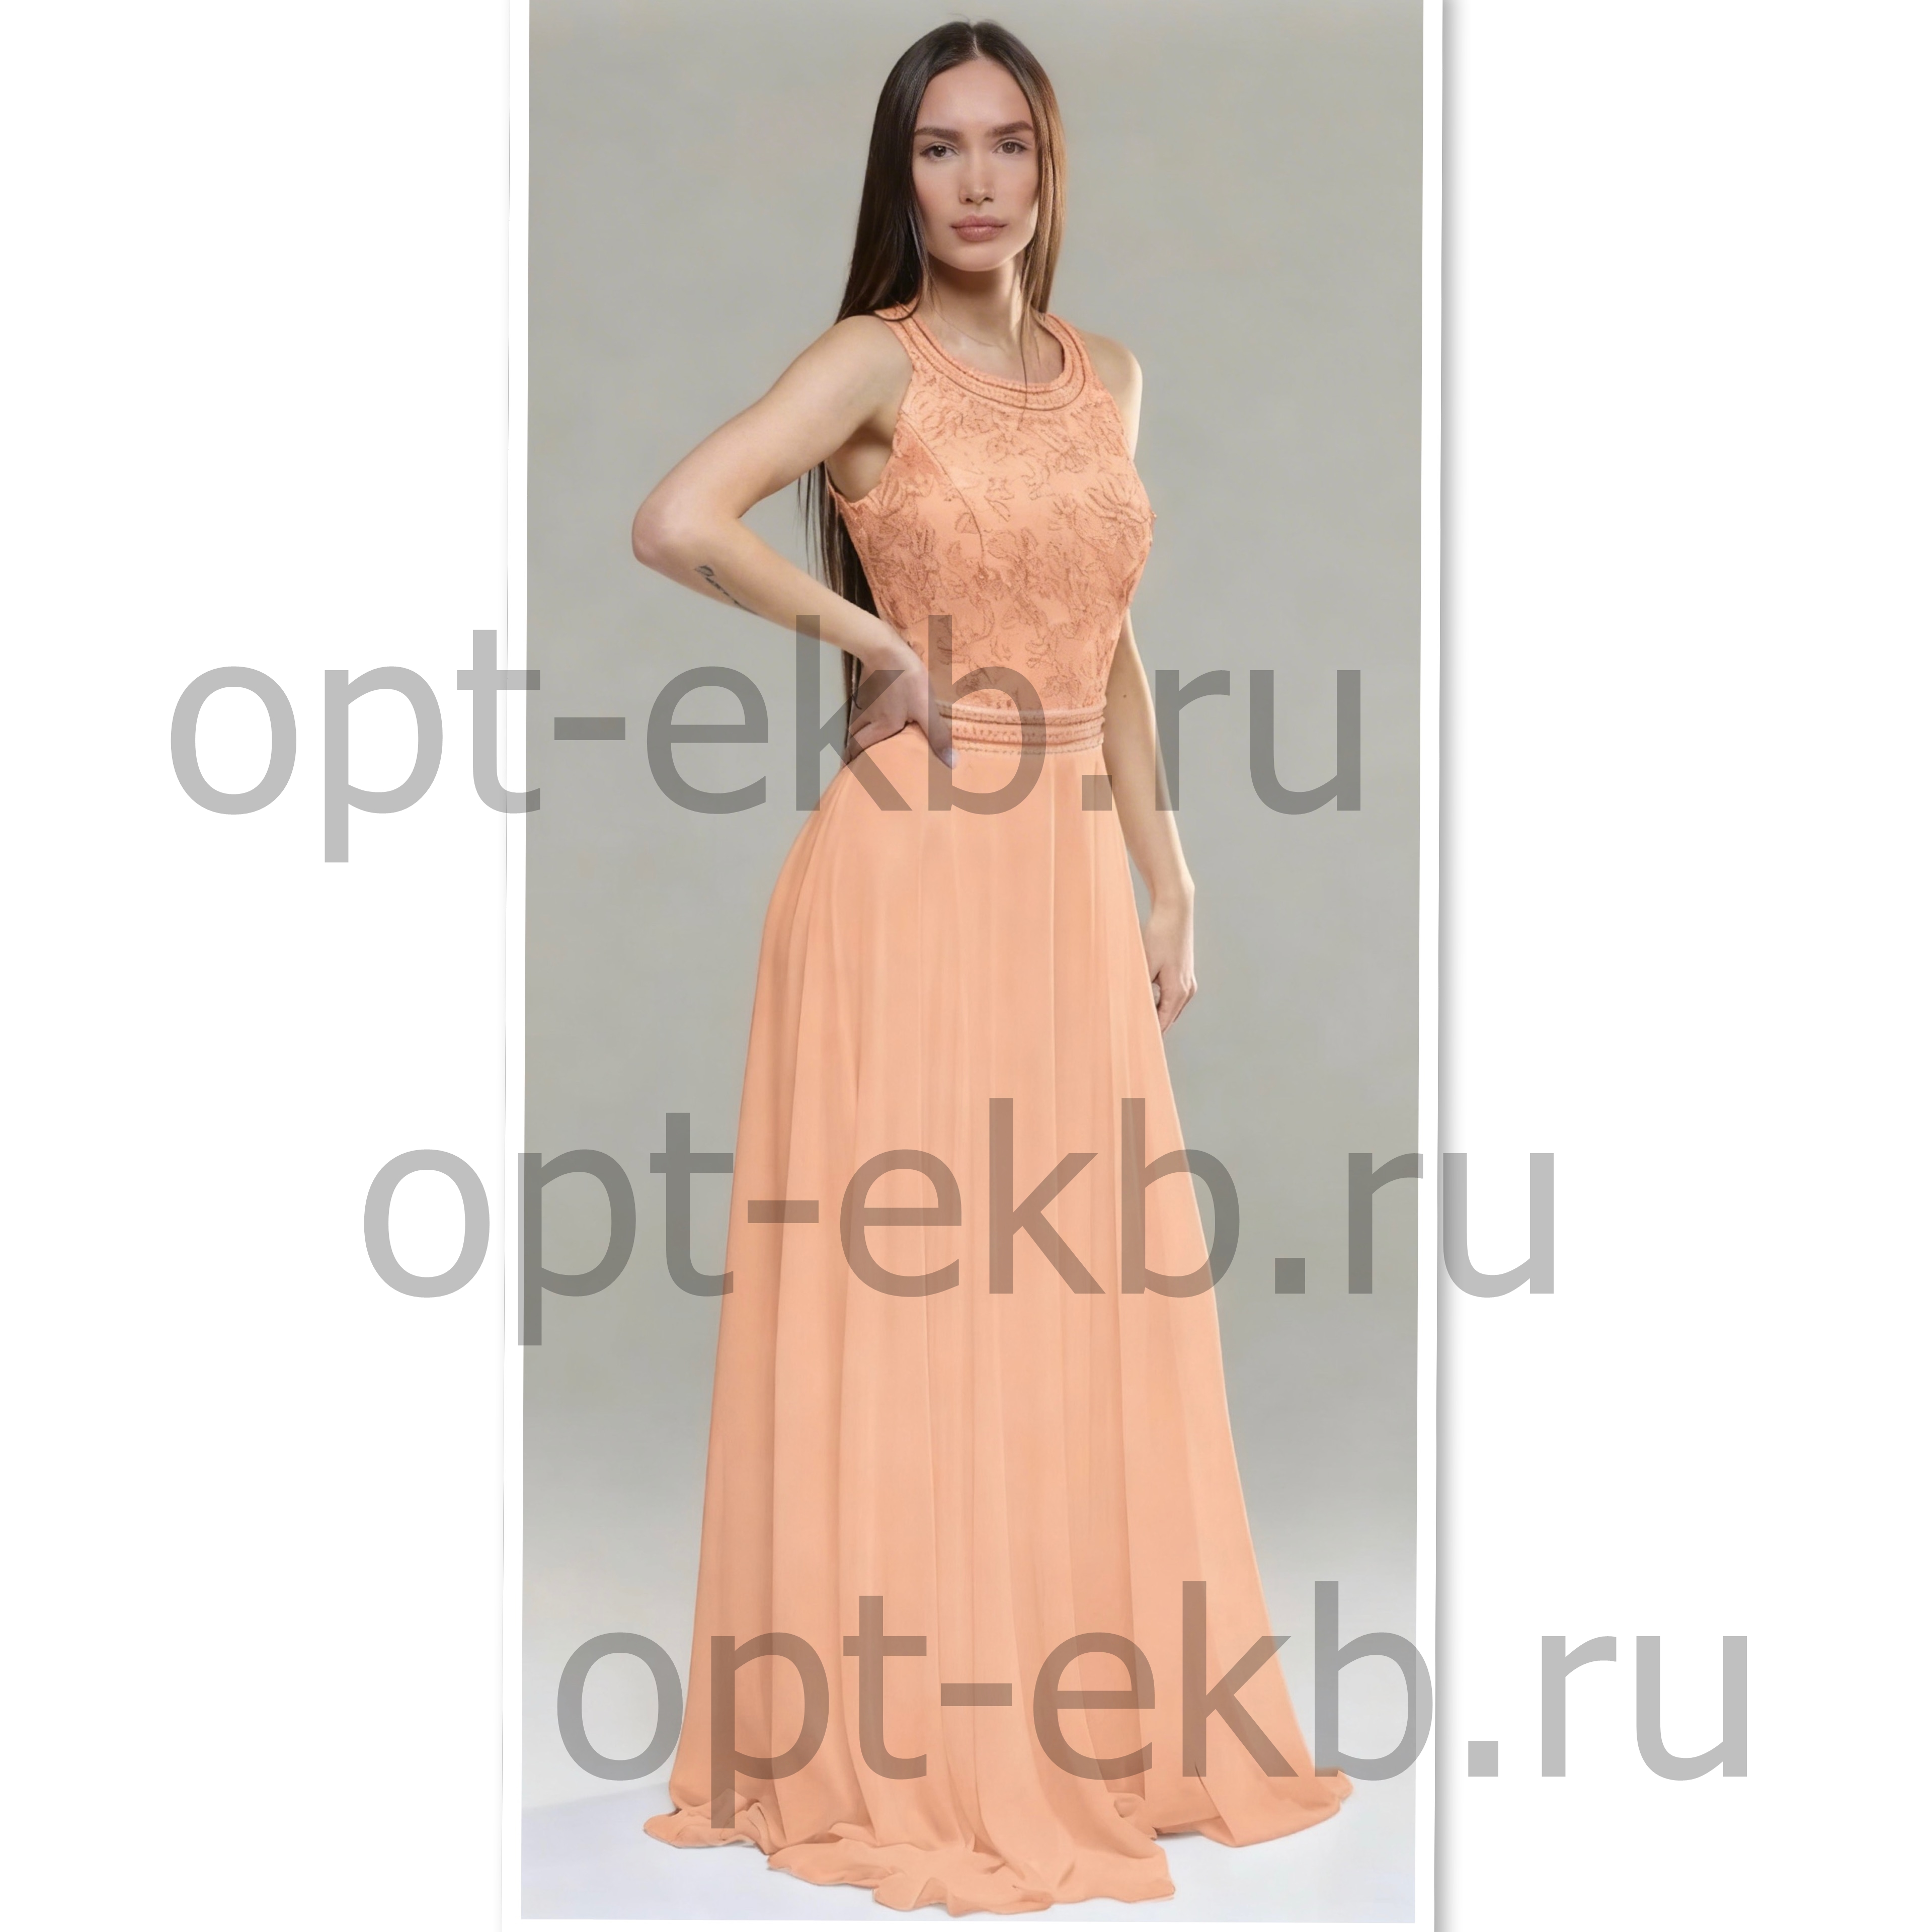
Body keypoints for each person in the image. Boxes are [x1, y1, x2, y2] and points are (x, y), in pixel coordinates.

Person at [628, 19, 1349, 1913]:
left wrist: (1168, 872)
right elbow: (677, 519)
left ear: (1047, 166)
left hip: (1061, 876)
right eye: (939, 148)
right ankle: (898, 1736)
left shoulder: (1111, 377)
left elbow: (1111, 640)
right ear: (903, 175)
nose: (975, 180)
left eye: (1006, 145)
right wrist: (872, 643)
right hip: (910, 870)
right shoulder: (871, 361)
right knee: (922, 1288)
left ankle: (1072, 1709)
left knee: (1071, 1281)